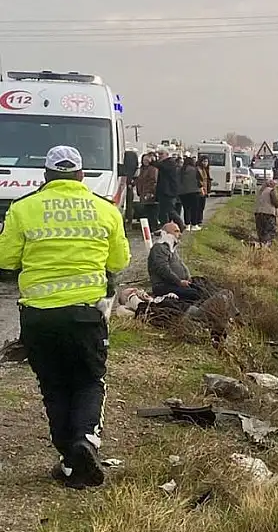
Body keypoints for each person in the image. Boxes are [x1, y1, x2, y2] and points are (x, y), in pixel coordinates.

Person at [0, 146, 130, 489]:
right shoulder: (106, 210)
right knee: (89, 381)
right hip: (85, 316)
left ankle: (70, 464)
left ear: (46, 177)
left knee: (54, 387)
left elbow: (6, 260)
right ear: (81, 176)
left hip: (38, 318)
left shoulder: (23, 208)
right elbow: (119, 262)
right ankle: (85, 442)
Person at [147, 222, 210, 303]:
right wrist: (179, 282)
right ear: (166, 234)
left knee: (204, 285)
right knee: (195, 294)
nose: (179, 234)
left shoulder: (171, 248)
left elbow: (179, 265)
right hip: (164, 285)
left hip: (177, 283)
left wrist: (188, 277)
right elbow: (163, 269)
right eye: (176, 231)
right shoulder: (159, 248)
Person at [152, 150, 184, 231]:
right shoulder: (165, 163)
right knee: (163, 212)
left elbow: (162, 167)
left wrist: (152, 161)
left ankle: (180, 225)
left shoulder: (170, 162)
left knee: (170, 210)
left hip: (169, 192)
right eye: (159, 154)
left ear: (167, 155)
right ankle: (165, 227)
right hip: (164, 191)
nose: (159, 156)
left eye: (161, 154)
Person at [134, 153, 159, 228]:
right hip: (142, 192)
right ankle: (149, 227)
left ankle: (153, 227)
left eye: (147, 160)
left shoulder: (152, 169)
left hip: (149, 192)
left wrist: (150, 192)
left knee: (151, 211)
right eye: (144, 160)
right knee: (146, 211)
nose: (145, 161)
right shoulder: (141, 169)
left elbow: (153, 181)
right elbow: (139, 180)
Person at [178, 156, 202, 231]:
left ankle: (187, 224)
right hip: (194, 191)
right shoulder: (195, 169)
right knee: (194, 209)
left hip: (183, 192)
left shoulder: (180, 170)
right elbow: (199, 180)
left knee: (186, 208)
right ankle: (194, 225)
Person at [254, 179, 278, 247]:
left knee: (261, 231)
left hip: (258, 213)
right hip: (268, 213)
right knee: (270, 230)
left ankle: (260, 245)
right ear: (271, 185)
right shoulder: (271, 191)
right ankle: (266, 246)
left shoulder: (261, 191)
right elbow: (275, 202)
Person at [196, 156, 212, 229]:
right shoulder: (198, 169)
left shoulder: (206, 170)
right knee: (198, 206)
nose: (205, 163)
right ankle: (197, 220)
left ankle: (200, 220)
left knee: (202, 207)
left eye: (206, 161)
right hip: (199, 191)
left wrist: (208, 191)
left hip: (204, 191)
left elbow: (208, 181)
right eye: (204, 161)